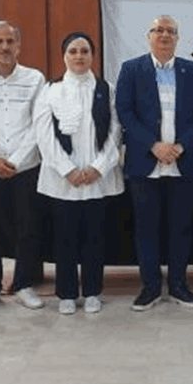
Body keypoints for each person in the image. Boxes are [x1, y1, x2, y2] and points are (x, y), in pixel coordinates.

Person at [116, 15, 193, 311]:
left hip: (184, 162)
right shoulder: (131, 69)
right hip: (145, 163)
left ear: (177, 38)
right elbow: (125, 112)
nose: (164, 35)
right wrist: (154, 145)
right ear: (148, 36)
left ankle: (179, 286)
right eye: (158, 30)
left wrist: (181, 146)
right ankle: (150, 288)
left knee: (181, 228)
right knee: (146, 229)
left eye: (170, 31)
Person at [34, 33, 124, 315]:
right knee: (64, 239)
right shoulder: (51, 90)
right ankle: (67, 293)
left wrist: (99, 167)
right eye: (73, 51)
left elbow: (115, 130)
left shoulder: (106, 89)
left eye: (84, 51)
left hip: (98, 179)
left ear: (92, 55)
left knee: (95, 239)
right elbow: (44, 135)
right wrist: (68, 170)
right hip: (63, 182)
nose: (79, 56)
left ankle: (93, 291)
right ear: (64, 56)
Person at [0, 21, 48, 312]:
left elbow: (39, 124)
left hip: (25, 168)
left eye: (10, 41)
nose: (4, 47)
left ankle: (24, 284)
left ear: (19, 45)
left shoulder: (34, 79)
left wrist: (15, 160)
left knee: (27, 228)